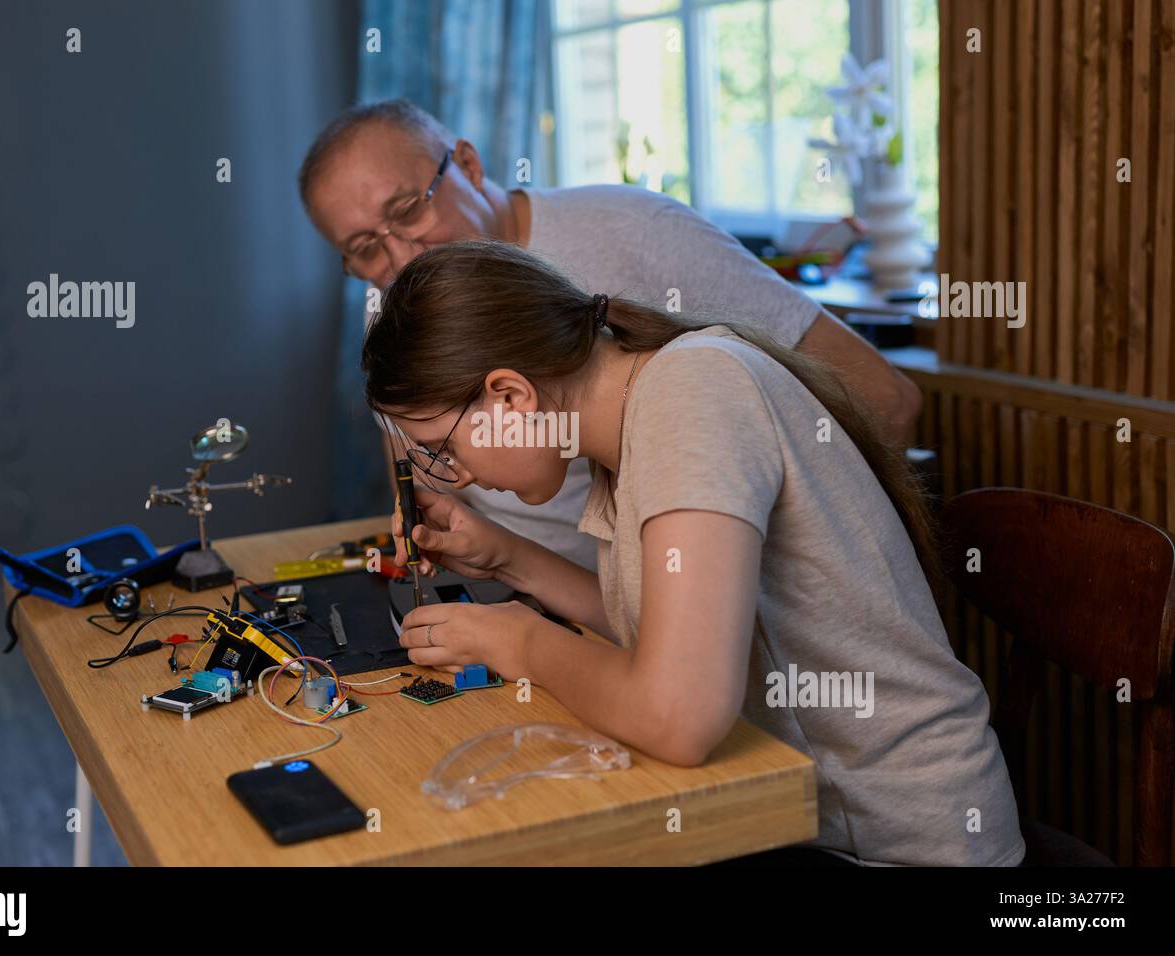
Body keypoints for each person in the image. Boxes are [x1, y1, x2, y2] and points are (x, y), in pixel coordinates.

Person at [361, 239, 1025, 868]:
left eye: (445, 448)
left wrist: (518, 642)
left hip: (898, 845)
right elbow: (663, 637)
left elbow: (679, 717)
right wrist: (506, 558)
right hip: (802, 820)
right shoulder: (629, 416)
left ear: (509, 395)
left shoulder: (691, 399)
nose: (459, 475)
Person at [298, 99, 922, 570]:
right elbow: (411, 453)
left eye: (409, 211)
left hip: (675, 620)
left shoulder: (637, 233)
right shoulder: (390, 301)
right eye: (363, 249)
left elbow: (888, 401)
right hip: (555, 602)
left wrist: (728, 578)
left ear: (466, 163)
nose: (400, 256)